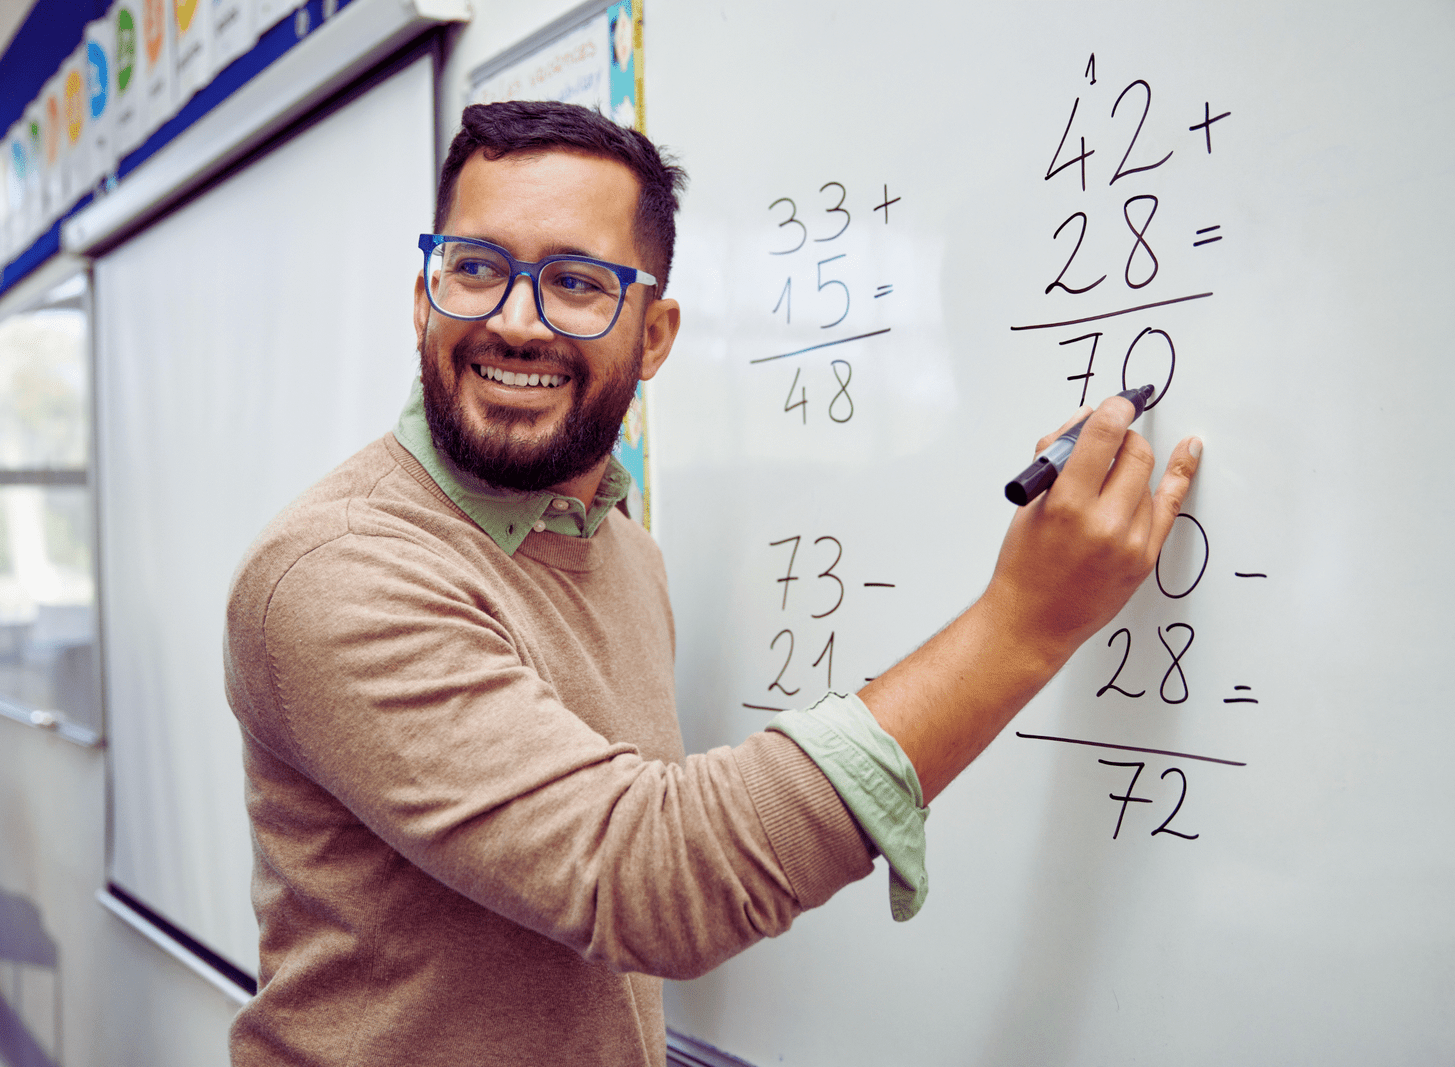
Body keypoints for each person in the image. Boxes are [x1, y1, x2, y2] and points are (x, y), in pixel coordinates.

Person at [223, 100, 1201, 1066]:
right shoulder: (338, 569)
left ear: (653, 335)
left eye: (575, 281)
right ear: (423, 296)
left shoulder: (622, 550)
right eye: (474, 268)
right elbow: (646, 876)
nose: (514, 320)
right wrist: (1023, 621)